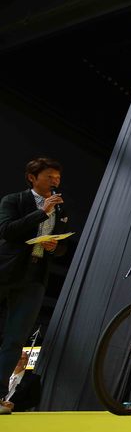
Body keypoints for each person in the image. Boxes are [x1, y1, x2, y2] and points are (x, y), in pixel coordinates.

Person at [0, 157, 68, 415]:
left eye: (57, 178)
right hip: (6, 272)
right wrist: (41, 212)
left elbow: (63, 247)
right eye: (50, 176)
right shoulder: (13, 200)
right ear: (32, 177)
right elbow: (7, 231)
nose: (55, 181)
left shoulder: (60, 208)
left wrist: (55, 246)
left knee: (15, 339)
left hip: (35, 276)